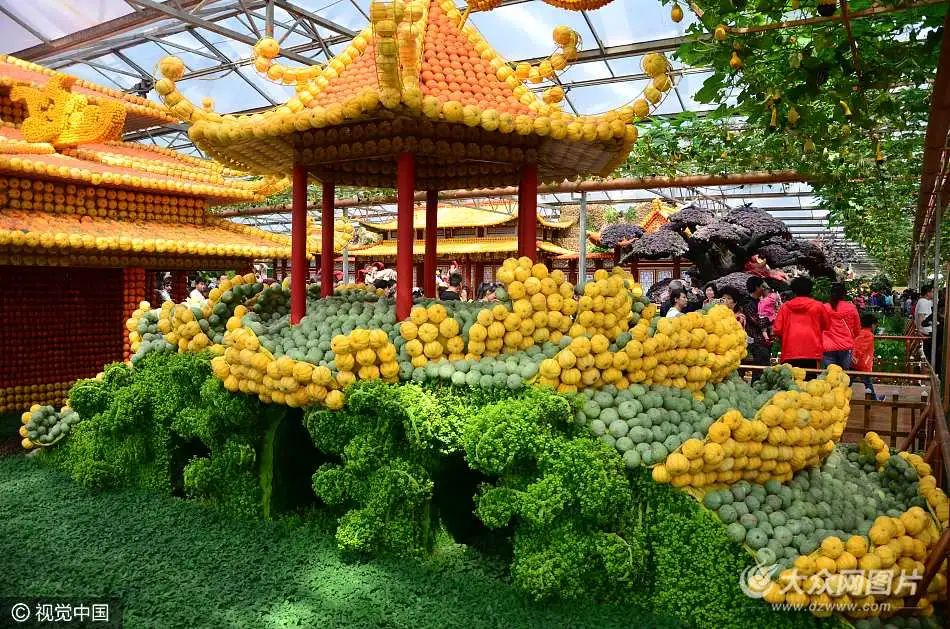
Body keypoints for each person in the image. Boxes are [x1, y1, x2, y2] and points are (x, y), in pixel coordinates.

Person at [773, 276, 829, 373]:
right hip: (812, 351)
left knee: (790, 380)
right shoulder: (818, 306)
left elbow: (777, 330)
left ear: (794, 290)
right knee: (810, 380)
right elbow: (826, 325)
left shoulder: (785, 307)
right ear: (810, 290)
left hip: (790, 351)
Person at [821, 282, 860, 369]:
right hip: (846, 346)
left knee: (829, 373)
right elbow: (857, 329)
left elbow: (819, 326)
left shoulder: (824, 308)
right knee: (844, 375)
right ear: (844, 294)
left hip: (828, 346)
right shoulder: (851, 308)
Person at [742, 276, 773, 381]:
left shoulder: (761, 302)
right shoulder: (748, 303)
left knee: (764, 370)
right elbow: (759, 322)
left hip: (763, 342)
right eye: (762, 286)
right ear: (757, 288)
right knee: (759, 372)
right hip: (756, 343)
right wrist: (770, 318)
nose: (764, 289)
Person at [853, 312, 885, 401]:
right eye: (875, 325)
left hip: (856, 362)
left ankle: (840, 395)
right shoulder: (869, 335)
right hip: (862, 363)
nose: (875, 327)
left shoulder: (859, 332)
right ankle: (874, 398)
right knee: (867, 382)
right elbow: (861, 347)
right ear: (872, 325)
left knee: (849, 381)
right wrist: (856, 357)